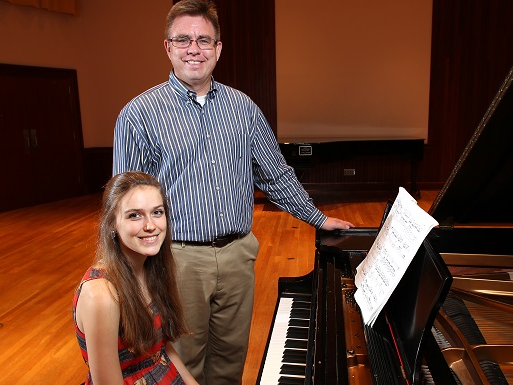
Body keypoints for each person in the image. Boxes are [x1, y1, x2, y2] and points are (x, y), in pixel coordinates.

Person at [112, 1, 354, 383]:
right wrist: (129, 272)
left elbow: (275, 174)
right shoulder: (139, 114)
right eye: (183, 39)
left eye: (204, 40)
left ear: (218, 48)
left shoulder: (244, 108)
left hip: (238, 253)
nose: (194, 48)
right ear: (168, 47)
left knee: (229, 362)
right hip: (177, 260)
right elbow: (125, 203)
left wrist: (318, 218)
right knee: (181, 362)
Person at [72, 171, 200, 385]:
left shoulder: (152, 268)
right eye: (135, 215)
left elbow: (161, 350)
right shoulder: (101, 294)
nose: (150, 225)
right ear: (112, 223)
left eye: (157, 212)